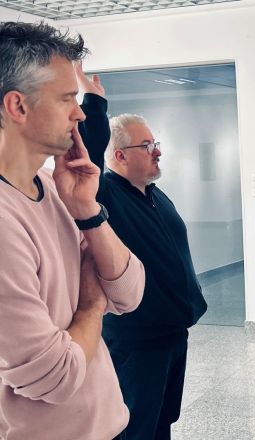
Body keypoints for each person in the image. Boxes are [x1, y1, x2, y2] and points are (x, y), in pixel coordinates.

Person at [0, 22, 145, 440]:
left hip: (106, 425)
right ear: (18, 106)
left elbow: (130, 292)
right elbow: (56, 376)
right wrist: (92, 305)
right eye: (67, 98)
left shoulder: (53, 185)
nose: (80, 113)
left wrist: (87, 211)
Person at [75, 66, 207, 440]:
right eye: (147, 146)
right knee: (136, 428)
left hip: (172, 334)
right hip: (138, 340)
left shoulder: (153, 194)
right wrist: (94, 104)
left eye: (155, 143)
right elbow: (86, 155)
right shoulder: (105, 193)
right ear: (119, 155)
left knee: (162, 421)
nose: (158, 151)